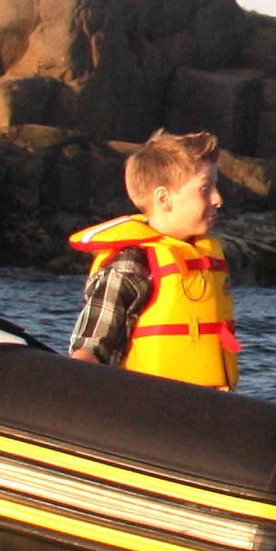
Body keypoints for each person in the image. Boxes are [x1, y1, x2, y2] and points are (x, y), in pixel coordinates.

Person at [68, 129, 238, 386]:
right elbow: (90, 351)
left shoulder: (206, 255)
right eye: (205, 188)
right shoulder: (130, 265)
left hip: (204, 409)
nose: (217, 198)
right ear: (163, 198)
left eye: (215, 186)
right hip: (147, 410)